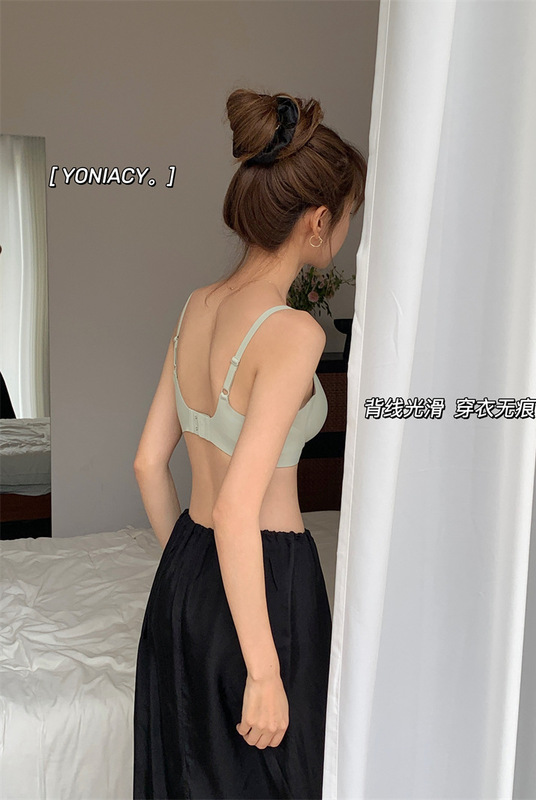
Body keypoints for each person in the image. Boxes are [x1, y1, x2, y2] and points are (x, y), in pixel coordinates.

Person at [132, 89, 367, 800]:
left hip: (186, 572)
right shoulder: (293, 332)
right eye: (349, 217)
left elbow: (148, 463)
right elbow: (240, 508)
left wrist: (193, 570)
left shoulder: (196, 305)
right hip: (269, 579)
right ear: (319, 220)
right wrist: (263, 671)